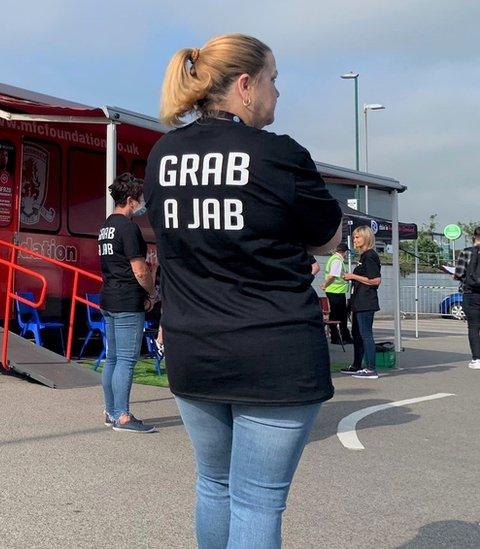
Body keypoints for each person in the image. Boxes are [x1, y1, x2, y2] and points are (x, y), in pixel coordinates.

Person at [145, 34, 342, 548]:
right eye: (274, 80)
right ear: (245, 84)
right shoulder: (278, 155)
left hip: (193, 349)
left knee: (214, 486)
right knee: (257, 501)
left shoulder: (162, 155)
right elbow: (329, 238)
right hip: (273, 350)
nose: (277, 93)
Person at [98, 173, 157, 433]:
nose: (142, 204)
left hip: (108, 297)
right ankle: (123, 416)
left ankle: (110, 411)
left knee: (112, 358)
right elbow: (140, 270)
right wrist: (152, 293)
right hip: (127, 301)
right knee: (126, 360)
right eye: (140, 200)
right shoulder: (128, 227)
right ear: (131, 200)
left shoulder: (106, 227)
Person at [340, 225, 382, 379]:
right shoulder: (363, 256)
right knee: (357, 334)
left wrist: (354, 276)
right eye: (354, 237)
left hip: (366, 302)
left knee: (366, 334)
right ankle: (357, 365)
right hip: (358, 301)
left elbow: (376, 280)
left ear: (366, 238)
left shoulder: (370, 255)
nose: (355, 240)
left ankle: (371, 368)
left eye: (358, 237)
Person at [453, 226, 480, 369]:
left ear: (474, 237)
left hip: (471, 294)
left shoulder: (467, 252)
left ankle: (477, 359)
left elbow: (459, 273)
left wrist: (456, 275)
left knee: (474, 327)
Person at [321, 242, 352, 344]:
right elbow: (332, 276)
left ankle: (345, 336)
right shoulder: (337, 260)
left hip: (337, 291)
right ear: (345, 252)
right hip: (335, 291)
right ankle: (336, 337)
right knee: (336, 315)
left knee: (342, 315)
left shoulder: (335, 259)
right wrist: (325, 285)